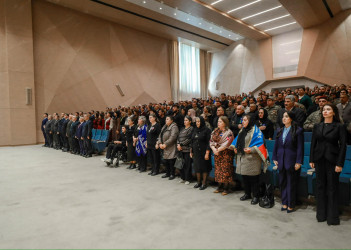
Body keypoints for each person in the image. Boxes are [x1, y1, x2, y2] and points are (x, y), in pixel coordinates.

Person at [310, 103, 347, 225]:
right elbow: (313, 144)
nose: (325, 111)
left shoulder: (339, 126)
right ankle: (321, 215)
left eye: (328, 109)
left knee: (332, 188)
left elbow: (343, 147)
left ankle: (332, 217)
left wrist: (340, 163)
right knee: (320, 187)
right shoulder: (317, 126)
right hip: (319, 160)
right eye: (324, 109)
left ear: (333, 112)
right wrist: (311, 159)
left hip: (333, 161)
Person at [231, 115, 269, 205]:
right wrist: (236, 148)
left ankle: (256, 196)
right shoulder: (242, 130)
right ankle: (247, 194)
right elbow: (237, 141)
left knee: (254, 179)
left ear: (250, 120)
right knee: (245, 177)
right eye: (242, 120)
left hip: (253, 159)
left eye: (244, 120)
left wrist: (251, 150)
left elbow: (262, 145)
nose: (242, 122)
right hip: (243, 158)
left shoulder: (256, 132)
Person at [272, 111, 304, 213]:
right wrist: (275, 158)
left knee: (291, 183)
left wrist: (299, 162)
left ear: (291, 118)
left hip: (292, 160)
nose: (283, 118)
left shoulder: (298, 130)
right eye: (283, 117)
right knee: (282, 183)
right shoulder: (279, 130)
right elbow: (276, 146)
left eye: (286, 116)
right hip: (281, 159)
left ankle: (291, 204)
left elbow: (300, 148)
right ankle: (284, 202)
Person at [210, 116, 234, 195]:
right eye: (218, 121)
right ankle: (219, 186)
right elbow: (211, 140)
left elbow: (227, 143)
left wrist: (218, 150)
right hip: (217, 153)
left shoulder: (229, 133)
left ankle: (226, 188)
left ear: (225, 123)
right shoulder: (215, 131)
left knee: (225, 171)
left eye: (220, 122)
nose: (218, 123)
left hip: (225, 153)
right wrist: (213, 149)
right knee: (218, 171)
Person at [190, 116, 212, 190]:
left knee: (204, 168)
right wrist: (191, 151)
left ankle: (204, 183)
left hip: (204, 152)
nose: (197, 123)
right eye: (196, 122)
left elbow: (209, 142)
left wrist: (207, 152)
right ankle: (198, 182)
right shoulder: (194, 129)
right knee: (197, 168)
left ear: (202, 122)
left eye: (199, 121)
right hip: (196, 152)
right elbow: (192, 141)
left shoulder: (207, 130)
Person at [157, 116, 179, 180]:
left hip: (171, 146)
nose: (166, 120)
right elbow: (160, 135)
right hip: (164, 146)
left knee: (171, 161)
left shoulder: (174, 127)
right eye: (165, 119)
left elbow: (173, 137)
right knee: (166, 161)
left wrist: (165, 144)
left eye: (167, 119)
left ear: (171, 120)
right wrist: (160, 143)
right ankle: (167, 173)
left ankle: (172, 174)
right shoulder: (164, 126)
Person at [177, 116, 194, 185]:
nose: (185, 121)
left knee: (187, 165)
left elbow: (189, 139)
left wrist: (181, 144)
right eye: (184, 120)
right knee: (181, 164)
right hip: (180, 149)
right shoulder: (182, 128)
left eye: (186, 120)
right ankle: (182, 178)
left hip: (187, 149)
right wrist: (178, 144)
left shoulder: (191, 129)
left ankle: (188, 179)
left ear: (190, 121)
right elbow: (178, 137)